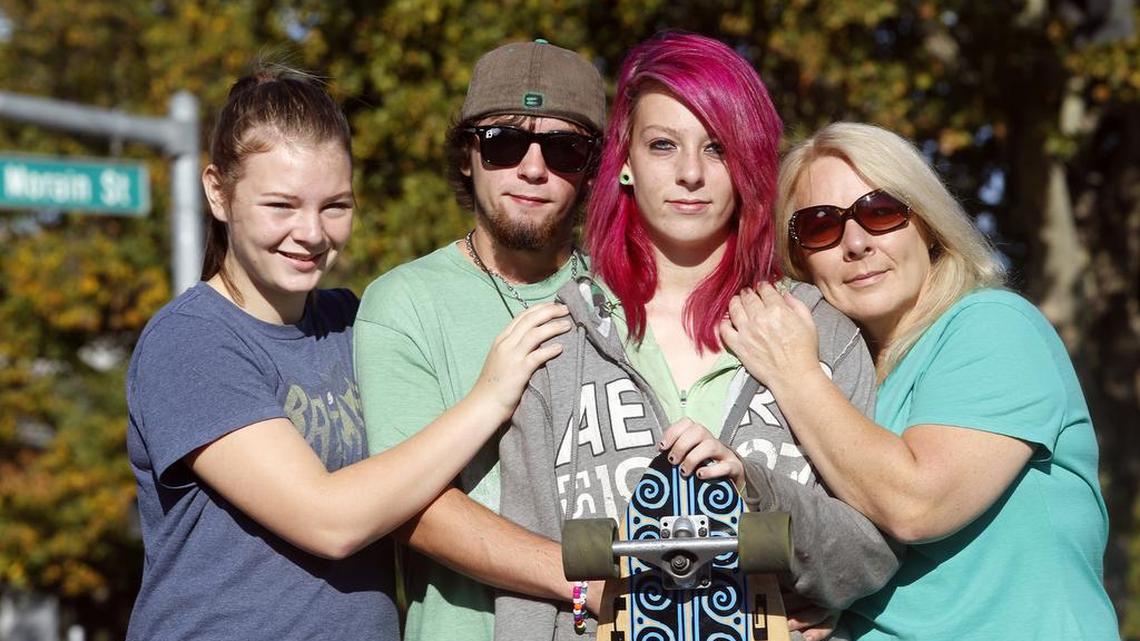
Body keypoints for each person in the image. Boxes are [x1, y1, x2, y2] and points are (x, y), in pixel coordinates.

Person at [125, 64, 570, 640]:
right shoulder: (190, 342)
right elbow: (329, 520)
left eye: (335, 206)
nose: (312, 233)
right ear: (218, 192)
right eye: (281, 206)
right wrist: (490, 397)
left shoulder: (348, 320)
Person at [494, 32, 900, 641]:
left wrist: (757, 491)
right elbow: (527, 591)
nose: (689, 173)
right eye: (663, 145)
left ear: (749, 165)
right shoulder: (559, 337)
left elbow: (867, 561)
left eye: (717, 148)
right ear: (625, 162)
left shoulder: (821, 333)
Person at [721, 121, 1119, 640]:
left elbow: (916, 506)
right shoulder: (842, 375)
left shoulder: (995, 327)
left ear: (926, 222)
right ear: (800, 257)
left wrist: (793, 373)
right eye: (821, 225)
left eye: (881, 210)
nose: (856, 243)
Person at [353, 39, 607, 641]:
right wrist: (584, 581)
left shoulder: (628, 293)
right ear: (468, 155)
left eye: (565, 148)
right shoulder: (403, 302)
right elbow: (411, 510)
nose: (533, 168)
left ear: (593, 169)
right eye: (504, 143)